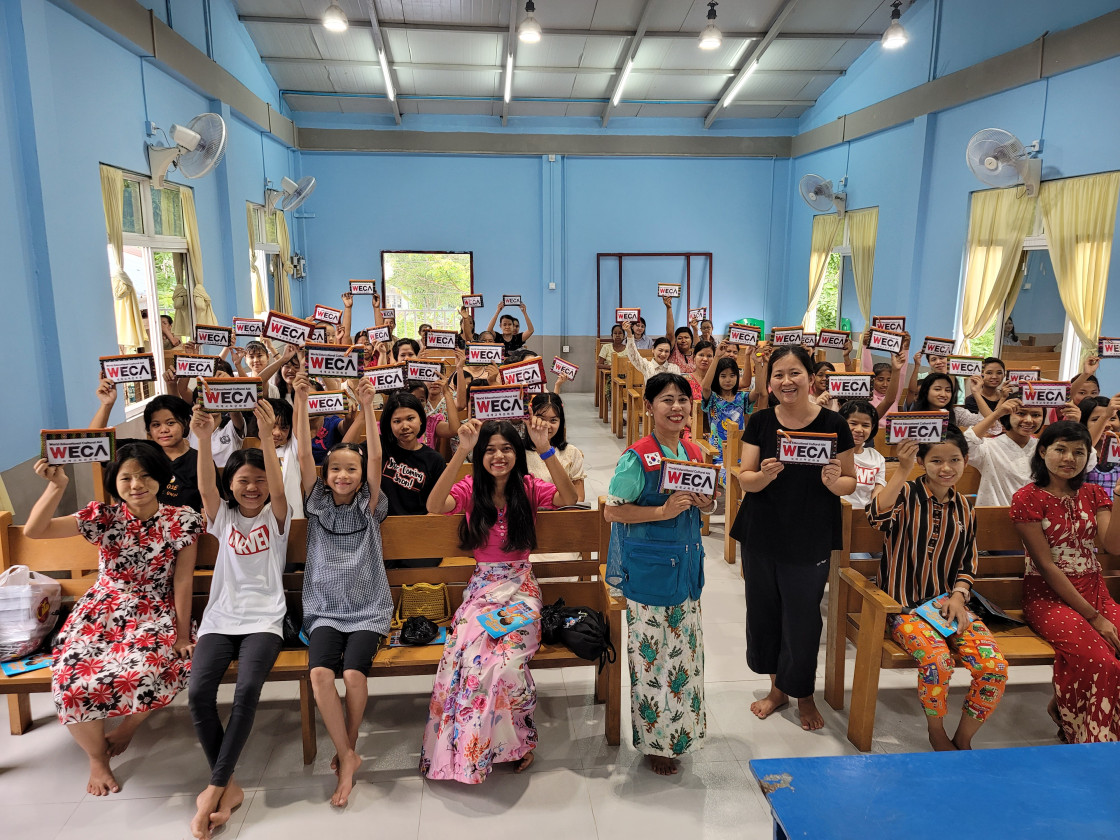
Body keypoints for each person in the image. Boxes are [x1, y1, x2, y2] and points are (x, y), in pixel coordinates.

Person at [24, 444, 202, 797]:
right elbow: (35, 530)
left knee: (154, 667)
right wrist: (57, 485)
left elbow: (182, 581)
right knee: (71, 677)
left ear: (161, 478)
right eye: (126, 478)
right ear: (114, 482)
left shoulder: (181, 520)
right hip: (101, 610)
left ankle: (126, 728)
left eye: (145, 475)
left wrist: (182, 635)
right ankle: (96, 758)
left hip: (154, 609)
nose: (136, 484)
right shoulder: (103, 517)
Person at [420, 416, 577, 783]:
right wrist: (461, 450)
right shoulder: (470, 488)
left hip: (521, 590)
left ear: (516, 453)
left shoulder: (529, 487)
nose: (498, 456)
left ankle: (517, 743)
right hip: (482, 590)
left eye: (506, 448)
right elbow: (434, 505)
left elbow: (570, 498)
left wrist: (545, 448)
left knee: (505, 665)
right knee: (469, 662)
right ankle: (472, 751)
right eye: (489, 450)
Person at [731, 345, 856, 731]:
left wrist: (834, 482)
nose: (787, 381)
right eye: (779, 375)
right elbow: (745, 479)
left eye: (795, 373)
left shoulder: (834, 423)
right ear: (770, 382)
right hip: (762, 533)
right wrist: (763, 476)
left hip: (810, 535)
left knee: (802, 619)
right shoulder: (760, 422)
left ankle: (803, 693)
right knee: (764, 613)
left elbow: (850, 482)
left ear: (811, 378)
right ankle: (777, 690)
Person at [187, 401, 290, 839]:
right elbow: (205, 488)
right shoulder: (223, 516)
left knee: (247, 690)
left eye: (260, 480)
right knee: (198, 694)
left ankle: (214, 789)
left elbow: (279, 489)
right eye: (243, 480)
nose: (252, 487)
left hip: (265, 619)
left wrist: (265, 437)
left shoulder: (277, 515)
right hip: (220, 618)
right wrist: (203, 438)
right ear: (230, 483)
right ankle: (226, 785)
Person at [868, 430, 1008, 750]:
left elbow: (968, 562)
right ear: (921, 461)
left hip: (949, 605)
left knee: (994, 666)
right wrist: (902, 469)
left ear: (966, 460)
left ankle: (964, 737)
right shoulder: (905, 493)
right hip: (903, 607)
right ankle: (936, 731)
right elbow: (876, 516)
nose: (946, 468)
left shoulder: (964, 507)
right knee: (937, 660)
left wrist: (958, 596)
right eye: (936, 460)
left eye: (954, 460)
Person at [604, 373, 714, 776]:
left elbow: (706, 506)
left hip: (686, 570)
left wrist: (705, 503)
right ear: (649, 406)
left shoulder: (694, 452)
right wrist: (661, 511)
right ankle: (655, 743)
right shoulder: (637, 458)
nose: (677, 407)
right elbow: (612, 511)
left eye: (683, 399)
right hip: (650, 574)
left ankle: (683, 734)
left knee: (686, 657)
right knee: (653, 661)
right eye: (667, 400)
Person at [294, 372, 391, 807]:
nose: (343, 475)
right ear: (325, 474)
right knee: (319, 675)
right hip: (324, 609)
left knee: (353, 675)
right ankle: (348, 755)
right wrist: (300, 401)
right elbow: (303, 454)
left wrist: (368, 407)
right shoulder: (316, 504)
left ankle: (347, 749)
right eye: (335, 469)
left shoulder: (369, 506)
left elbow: (376, 458)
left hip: (368, 608)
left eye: (351, 469)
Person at [1011, 421, 1120, 743]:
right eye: (1060, 449)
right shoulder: (1027, 498)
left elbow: (1113, 546)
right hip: (1047, 597)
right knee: (1100, 661)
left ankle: (1063, 707)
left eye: (1078, 452)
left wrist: (1118, 495)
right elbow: (1046, 566)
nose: (1069, 458)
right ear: (1043, 451)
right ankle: (1092, 740)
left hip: (1096, 591)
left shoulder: (1094, 493)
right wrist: (1094, 617)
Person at [91, 381, 203, 511]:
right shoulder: (139, 452)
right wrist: (106, 405)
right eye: (156, 425)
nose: (164, 430)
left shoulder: (199, 461)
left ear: (185, 423)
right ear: (149, 429)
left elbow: (210, 509)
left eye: (171, 423)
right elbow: (94, 446)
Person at [963, 398, 1046, 506]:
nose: (1029, 420)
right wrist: (997, 414)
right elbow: (964, 445)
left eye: (1036, 415)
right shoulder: (988, 447)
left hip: (1035, 515)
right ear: (1007, 415)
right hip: (995, 514)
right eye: (1021, 413)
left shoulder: (1045, 449)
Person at [525, 393, 586, 502]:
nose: (546, 426)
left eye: (553, 420)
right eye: (541, 419)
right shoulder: (518, 451)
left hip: (562, 511)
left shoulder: (572, 452)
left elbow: (579, 498)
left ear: (560, 422)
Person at [701, 356, 753, 478]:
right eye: (723, 376)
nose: (728, 380)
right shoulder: (712, 398)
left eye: (732, 375)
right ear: (716, 377)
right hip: (717, 456)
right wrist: (717, 356)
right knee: (730, 478)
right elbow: (705, 387)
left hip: (741, 455)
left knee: (751, 479)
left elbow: (760, 390)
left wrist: (752, 359)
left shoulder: (743, 397)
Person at [840, 400, 886, 509]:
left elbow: (879, 487)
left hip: (866, 514)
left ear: (872, 428)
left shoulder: (877, 457)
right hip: (839, 511)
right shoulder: (832, 452)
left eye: (865, 425)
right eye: (853, 423)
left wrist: (874, 510)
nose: (859, 429)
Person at [911, 372, 983, 431]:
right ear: (925, 391)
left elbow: (986, 423)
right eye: (937, 389)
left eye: (948, 390)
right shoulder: (912, 417)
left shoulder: (957, 413)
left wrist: (976, 393)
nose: (943, 394)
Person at [1082, 396, 1120, 499]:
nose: (1106, 424)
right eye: (1096, 419)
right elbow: (1083, 448)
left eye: (1112, 418)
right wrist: (1105, 415)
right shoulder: (1079, 454)